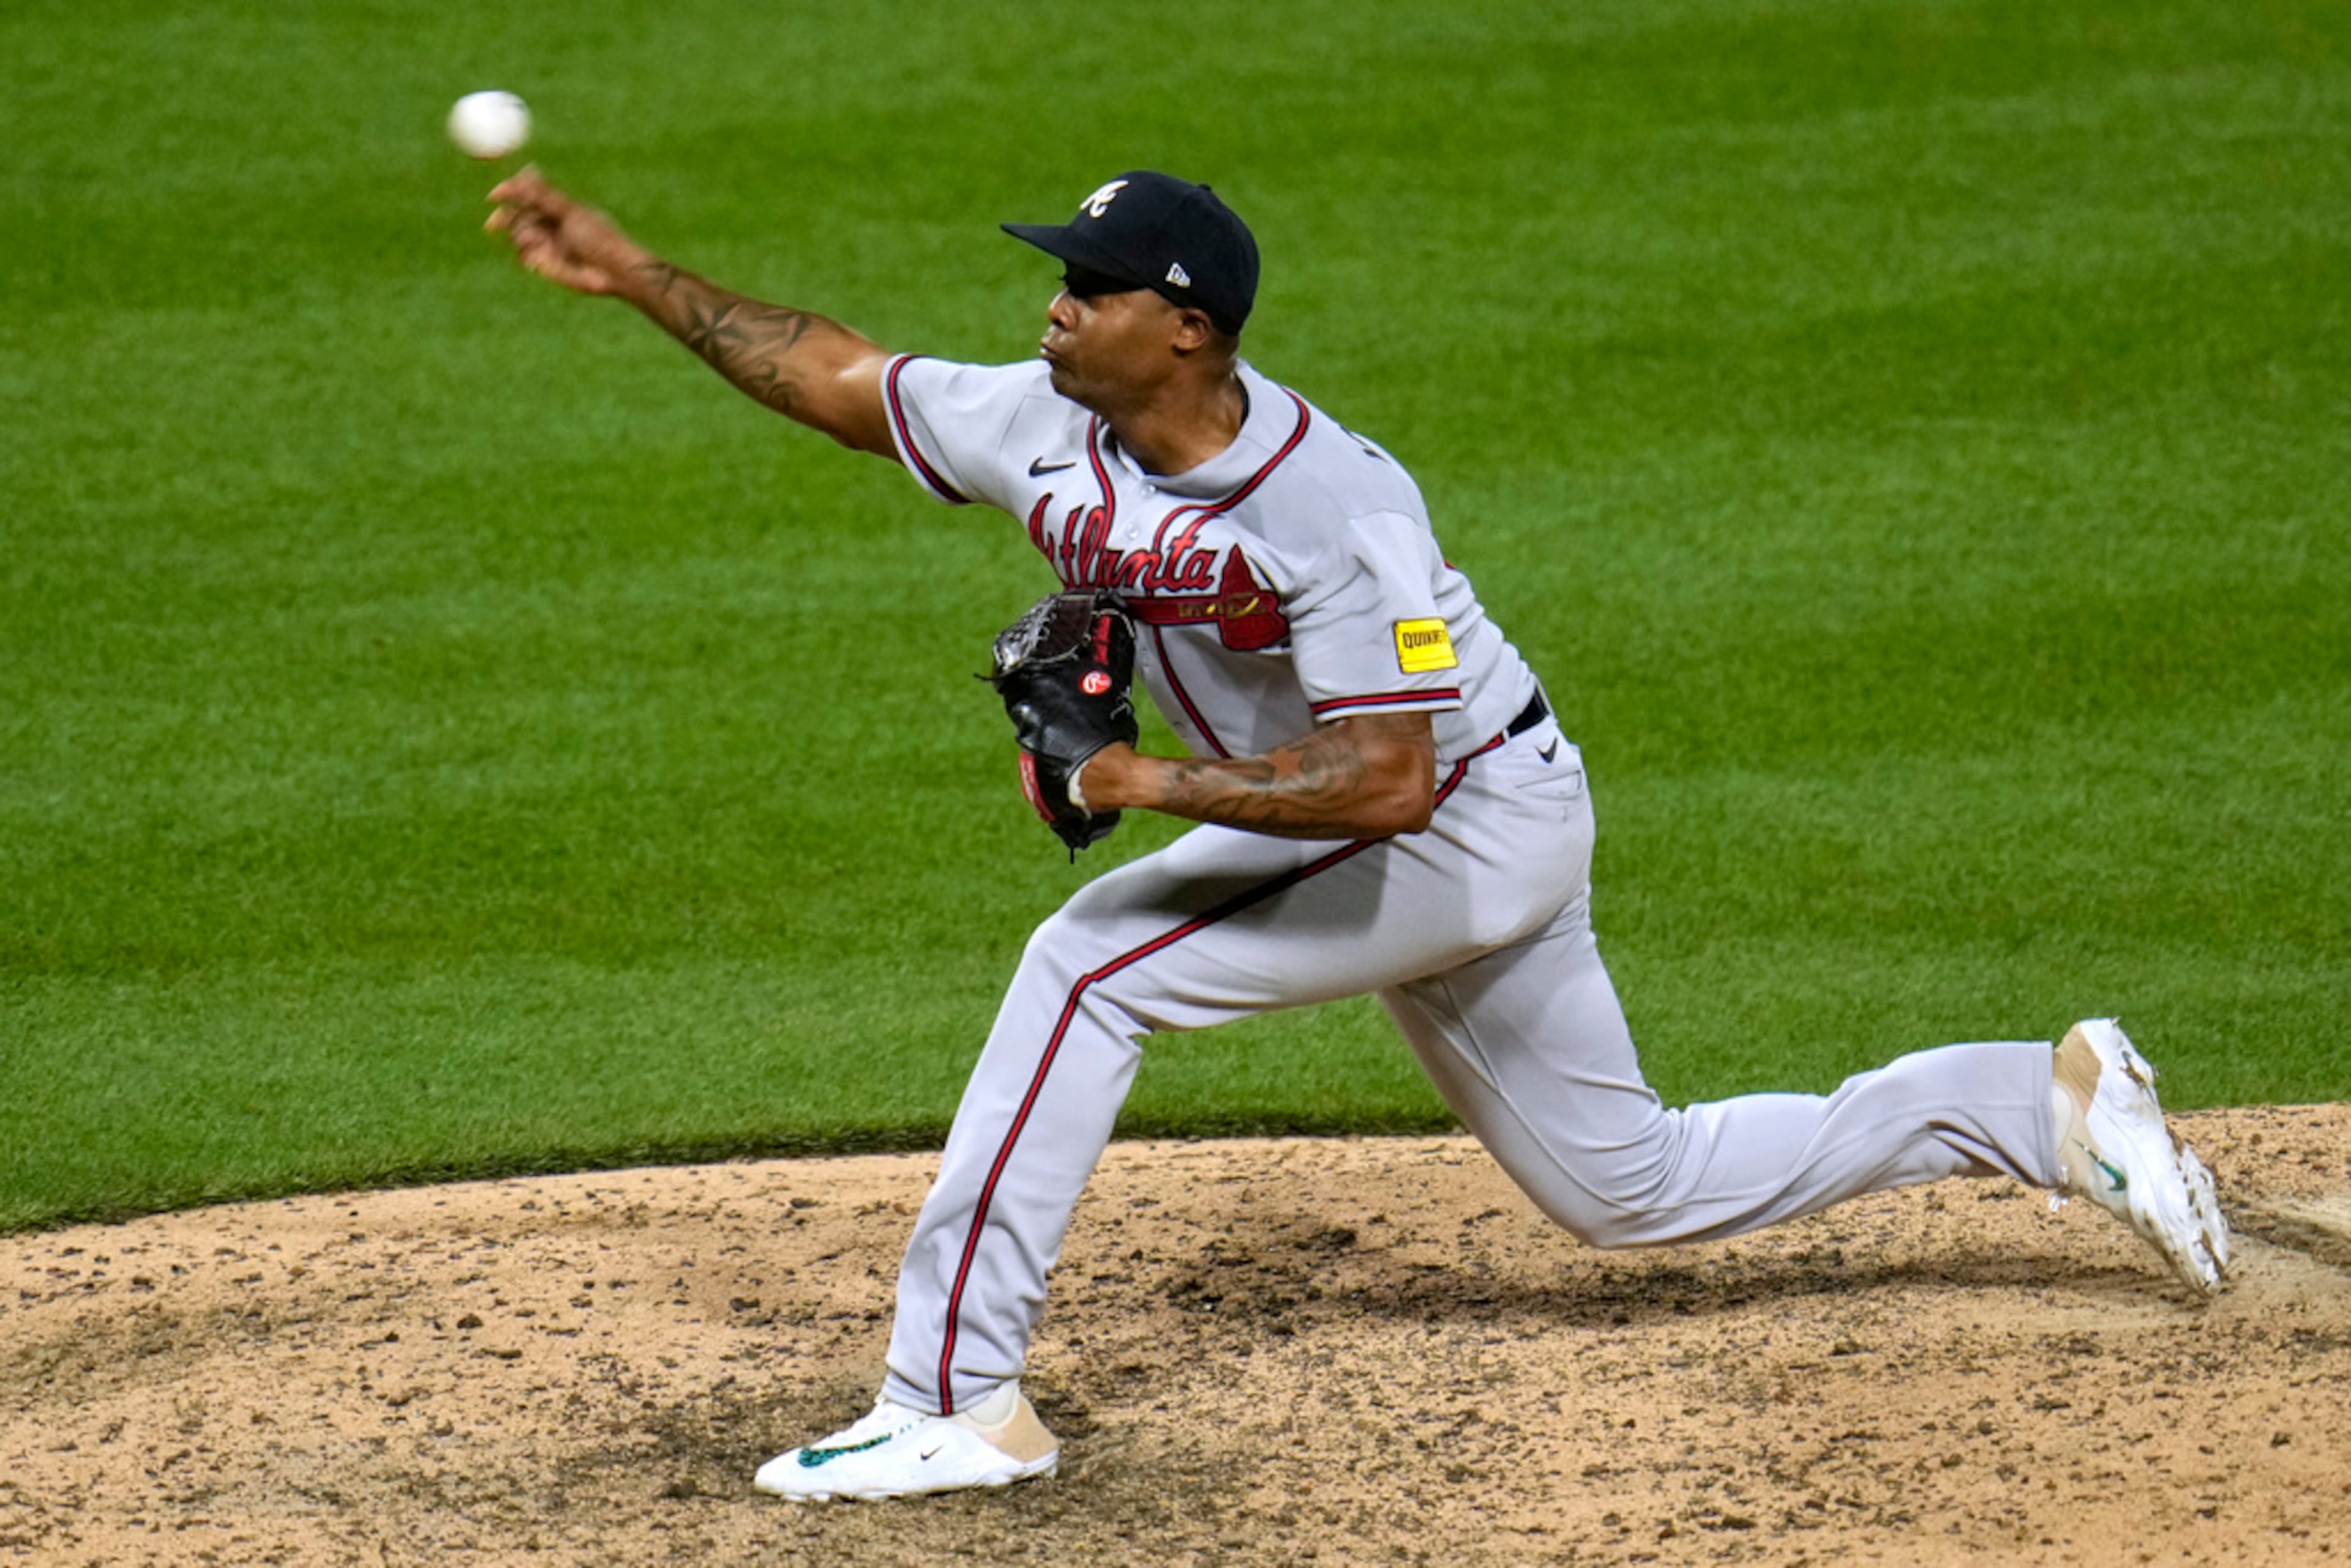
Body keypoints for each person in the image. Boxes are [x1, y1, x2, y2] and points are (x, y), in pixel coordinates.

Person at [484, 167, 2232, 1502]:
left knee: (1089, 964)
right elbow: (840, 377)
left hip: (1461, 826)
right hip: (1437, 834)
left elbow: (1392, 776)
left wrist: (1139, 782)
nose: (1051, 307)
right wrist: (632, 274)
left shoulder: (1334, 505)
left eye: (1086, 287)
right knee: (1631, 1185)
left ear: (1184, 327)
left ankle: (954, 1401)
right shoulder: (1046, 421)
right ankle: (2036, 1099)